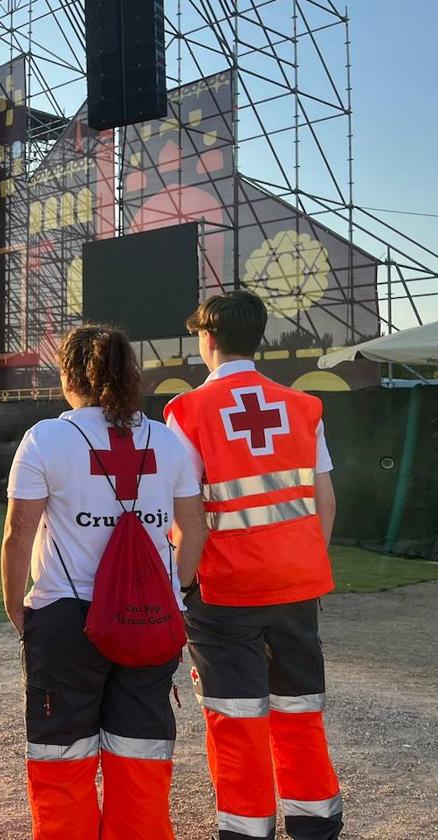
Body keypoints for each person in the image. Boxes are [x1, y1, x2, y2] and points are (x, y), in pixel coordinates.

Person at [0, 325, 207, 840]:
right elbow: (195, 530)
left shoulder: (45, 438)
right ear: (129, 375)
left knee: (62, 754)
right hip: (149, 618)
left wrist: (16, 607)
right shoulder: (167, 440)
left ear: (69, 376)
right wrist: (176, 594)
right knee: (140, 751)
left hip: (65, 617)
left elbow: (17, 533)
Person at [164, 291, 343, 840]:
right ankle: (316, 825)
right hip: (295, 585)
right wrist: (303, 563)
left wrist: (181, 585)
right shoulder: (302, 407)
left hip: (224, 592)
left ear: (208, 339)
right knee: (299, 709)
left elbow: (186, 514)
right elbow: (324, 499)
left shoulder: (186, 412)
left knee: (235, 717)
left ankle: (246, 830)